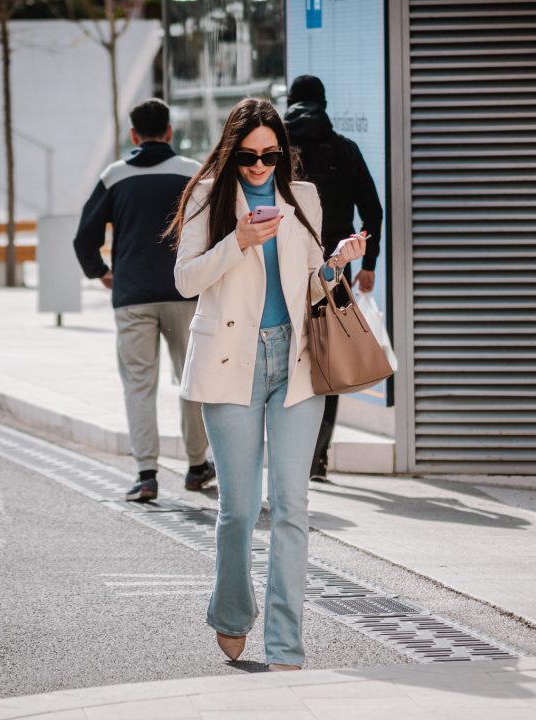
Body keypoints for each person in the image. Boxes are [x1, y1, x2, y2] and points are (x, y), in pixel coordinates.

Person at [169, 97, 366, 670]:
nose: (260, 167)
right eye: (250, 156)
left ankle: (286, 644)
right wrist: (239, 243)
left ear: (283, 153)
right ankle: (231, 615)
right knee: (237, 510)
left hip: (296, 361)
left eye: (271, 156)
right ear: (233, 151)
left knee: (291, 506)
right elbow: (185, 281)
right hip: (231, 363)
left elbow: (310, 284)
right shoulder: (208, 196)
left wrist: (336, 264)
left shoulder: (303, 198)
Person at [73, 99, 214, 502]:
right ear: (169, 132)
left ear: (134, 135)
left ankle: (146, 474)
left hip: (132, 297)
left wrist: (100, 272)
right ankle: (196, 466)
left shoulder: (114, 176)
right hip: (185, 294)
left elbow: (84, 237)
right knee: (192, 381)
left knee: (139, 385)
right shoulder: (193, 173)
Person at [283, 75, 384, 483]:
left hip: (286, 271)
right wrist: (368, 263)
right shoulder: (345, 149)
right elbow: (372, 212)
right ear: (324, 103)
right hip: (335, 274)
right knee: (330, 359)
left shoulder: (277, 152)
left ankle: (289, 452)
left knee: (285, 356)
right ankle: (316, 460)